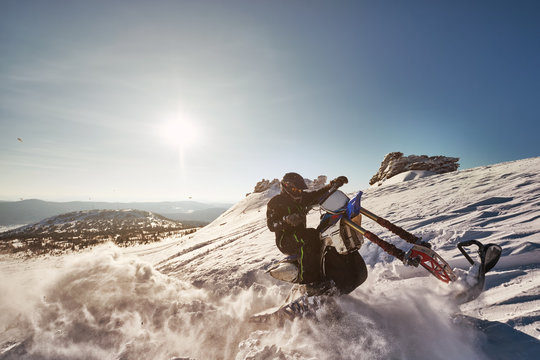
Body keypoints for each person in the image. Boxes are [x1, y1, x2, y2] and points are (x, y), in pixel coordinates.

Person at [266, 172, 348, 284]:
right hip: (285, 240)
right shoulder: (276, 202)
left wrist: (333, 185)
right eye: (296, 190)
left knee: (322, 234)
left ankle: (329, 272)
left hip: (300, 234)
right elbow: (271, 225)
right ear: (286, 186)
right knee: (310, 236)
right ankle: (308, 282)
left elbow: (317, 194)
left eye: (300, 190)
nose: (299, 193)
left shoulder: (300, 198)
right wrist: (286, 220)